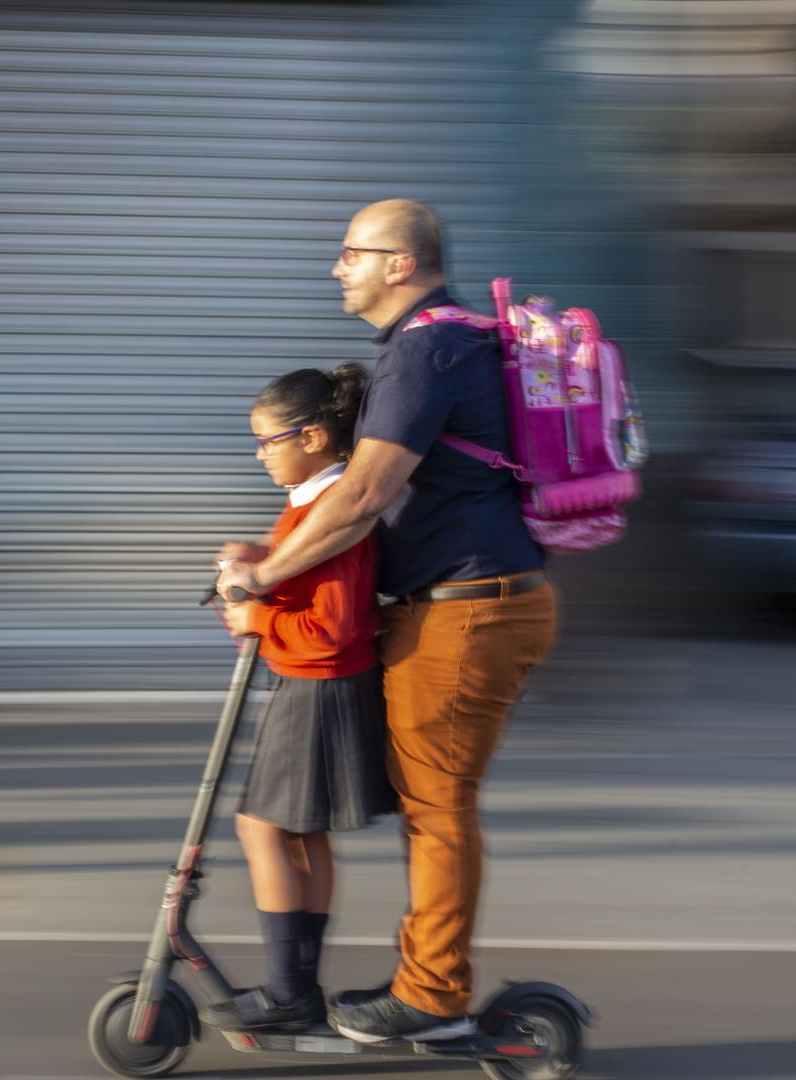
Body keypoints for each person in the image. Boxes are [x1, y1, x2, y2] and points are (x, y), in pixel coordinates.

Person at [217, 199, 558, 1043]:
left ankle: (433, 995)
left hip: (470, 610)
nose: (339, 267)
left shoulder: (425, 349)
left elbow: (364, 496)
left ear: (399, 263)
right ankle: (418, 980)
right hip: (457, 607)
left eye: (351, 254)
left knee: (439, 808)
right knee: (427, 804)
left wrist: (263, 577)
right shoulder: (441, 343)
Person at [200, 364, 398, 1032]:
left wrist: (259, 619)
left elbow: (333, 625)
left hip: (317, 686)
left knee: (260, 827)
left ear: (312, 436)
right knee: (302, 836)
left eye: (268, 441)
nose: (260, 454)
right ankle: (298, 991)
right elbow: (311, 577)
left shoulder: (330, 506)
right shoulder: (313, 500)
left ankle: (289, 994)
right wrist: (256, 553)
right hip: (325, 686)